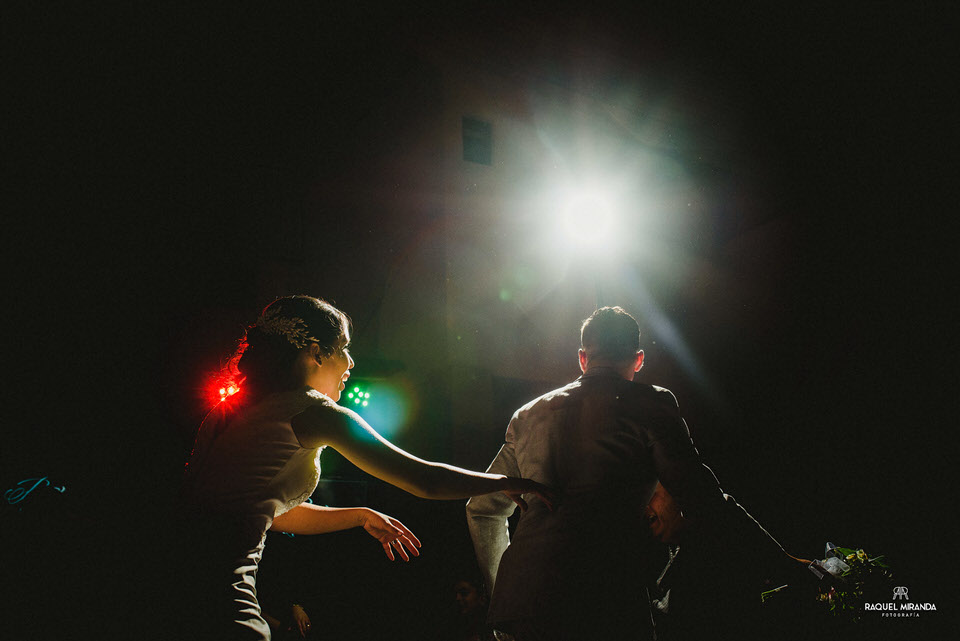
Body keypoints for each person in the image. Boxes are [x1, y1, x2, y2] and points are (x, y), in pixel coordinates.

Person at [178, 295, 553, 640]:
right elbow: (423, 479)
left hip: (174, 594)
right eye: (343, 348)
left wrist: (360, 515)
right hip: (225, 605)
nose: (351, 362)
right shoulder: (311, 411)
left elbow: (269, 512)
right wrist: (503, 480)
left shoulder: (228, 411)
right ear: (315, 354)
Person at [466, 306, 779, 641]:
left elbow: (481, 509)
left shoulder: (528, 415)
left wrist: (507, 589)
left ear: (583, 359)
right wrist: (780, 561)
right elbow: (701, 497)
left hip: (521, 605)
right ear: (639, 359)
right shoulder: (651, 404)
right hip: (601, 596)